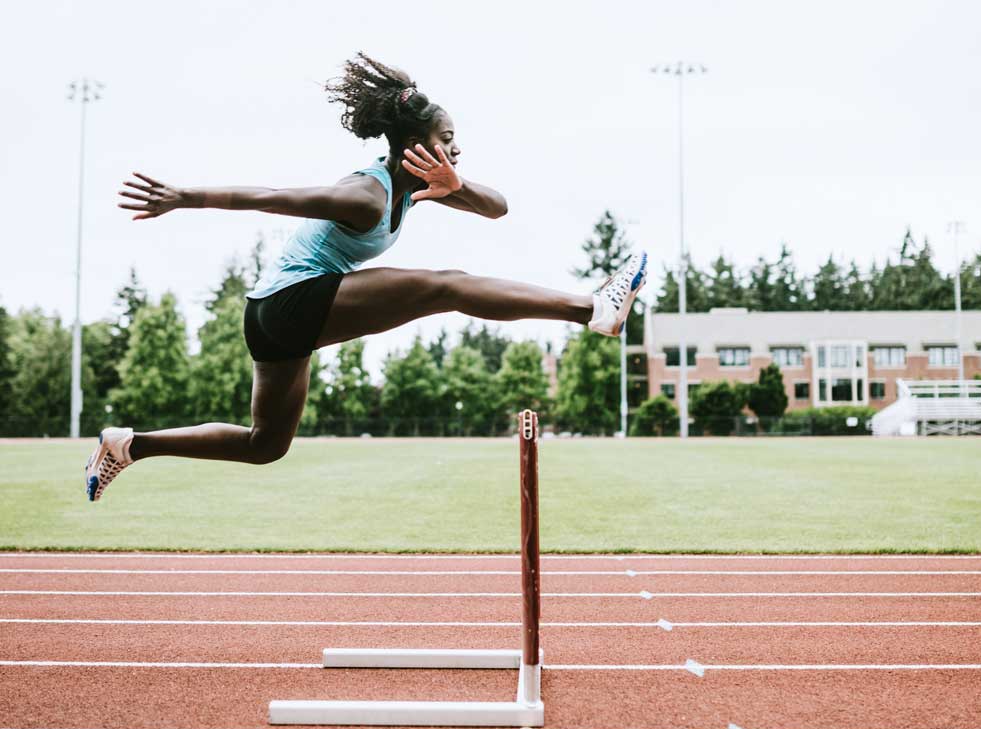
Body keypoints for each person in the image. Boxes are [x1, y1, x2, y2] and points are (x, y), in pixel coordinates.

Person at [85, 52, 646, 502]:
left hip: (273, 317)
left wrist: (456, 185)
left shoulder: (417, 188)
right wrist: (186, 196)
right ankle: (592, 309)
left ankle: (128, 445)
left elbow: (497, 208)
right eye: (448, 139)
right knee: (444, 284)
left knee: (265, 445)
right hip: (289, 302)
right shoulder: (369, 194)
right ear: (414, 144)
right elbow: (278, 197)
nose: (457, 148)